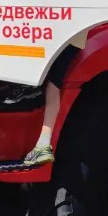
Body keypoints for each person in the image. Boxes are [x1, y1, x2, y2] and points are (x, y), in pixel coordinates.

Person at [23, 32, 87, 166]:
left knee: (52, 84)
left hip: (60, 34)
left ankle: (43, 144)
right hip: (74, 36)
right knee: (54, 84)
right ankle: (43, 142)